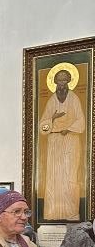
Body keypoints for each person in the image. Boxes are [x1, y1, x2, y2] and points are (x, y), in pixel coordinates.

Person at [40, 66, 85, 220]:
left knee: (70, 176)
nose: (62, 84)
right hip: (54, 142)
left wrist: (69, 128)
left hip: (71, 140)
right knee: (54, 176)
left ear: (69, 82)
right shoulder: (52, 100)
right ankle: (53, 213)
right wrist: (52, 118)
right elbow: (43, 127)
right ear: (55, 82)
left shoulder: (74, 99)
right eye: (59, 81)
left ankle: (71, 213)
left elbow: (81, 121)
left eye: (64, 81)